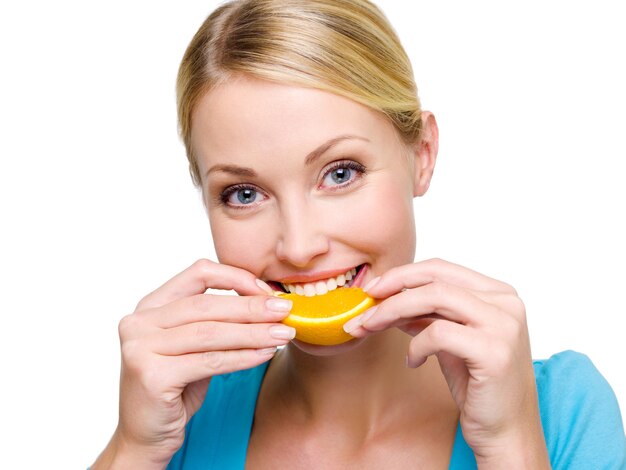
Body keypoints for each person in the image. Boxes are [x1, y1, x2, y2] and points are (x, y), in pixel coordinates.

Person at [91, 0, 626, 468]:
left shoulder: (563, 412)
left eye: (340, 173)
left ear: (422, 155)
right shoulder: (177, 425)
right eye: (244, 194)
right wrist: (133, 449)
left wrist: (511, 447)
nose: (299, 248)